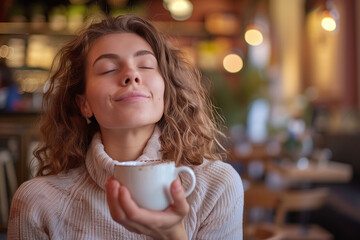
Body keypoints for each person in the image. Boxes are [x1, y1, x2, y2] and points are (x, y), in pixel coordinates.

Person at [7, 15, 243, 239]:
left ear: (165, 92)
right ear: (84, 104)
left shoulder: (217, 186)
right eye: (109, 69)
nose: (131, 75)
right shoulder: (38, 202)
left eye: (146, 65)